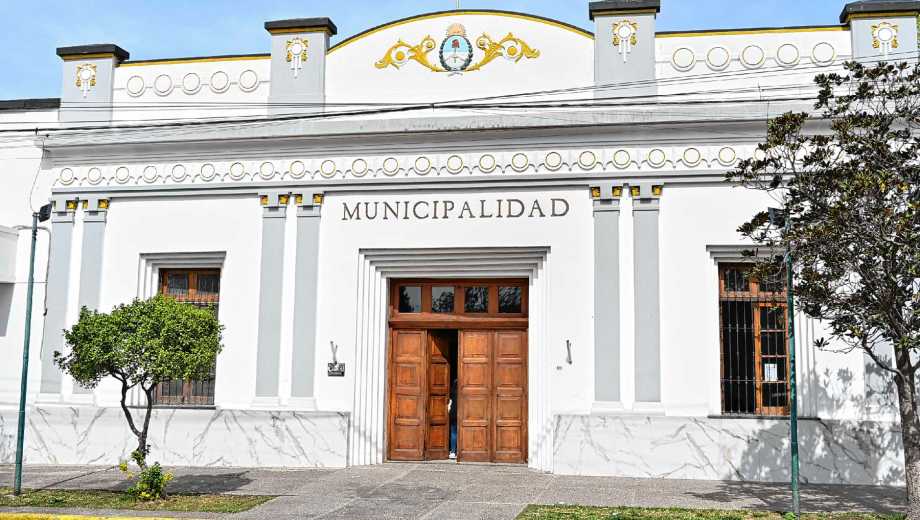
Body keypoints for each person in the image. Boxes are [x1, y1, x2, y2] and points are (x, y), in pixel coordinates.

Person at [449, 373, 458, 459]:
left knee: (454, 432)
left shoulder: (453, 391)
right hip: (463, 413)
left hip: (453, 413)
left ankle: (452, 451)